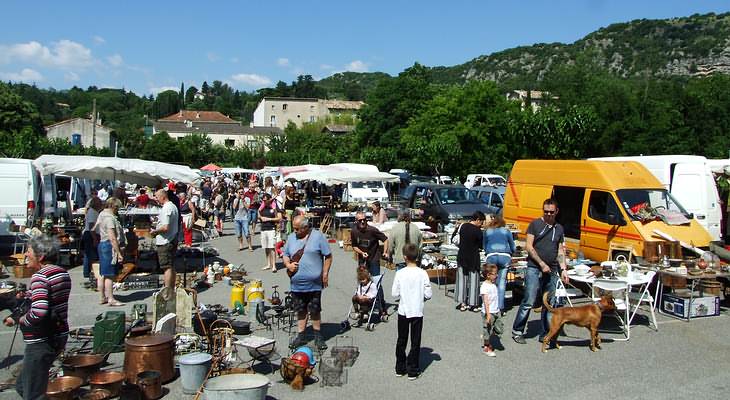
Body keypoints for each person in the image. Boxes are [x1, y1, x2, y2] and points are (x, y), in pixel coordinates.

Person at [4, 235, 71, 400]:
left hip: (41, 340)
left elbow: (39, 312)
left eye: (28, 251)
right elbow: (53, 296)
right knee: (22, 385)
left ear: (40, 257)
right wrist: (29, 294)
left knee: (32, 394)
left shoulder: (40, 277)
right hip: (58, 335)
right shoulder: (61, 272)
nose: (26, 255)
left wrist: (22, 320)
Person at [511, 198, 569, 346]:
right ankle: (517, 330)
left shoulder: (559, 228)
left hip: (552, 268)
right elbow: (529, 247)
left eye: (551, 212)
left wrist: (563, 269)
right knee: (529, 300)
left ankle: (545, 334)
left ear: (556, 211)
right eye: (546, 211)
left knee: (548, 302)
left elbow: (560, 250)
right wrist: (541, 263)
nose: (548, 214)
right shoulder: (535, 224)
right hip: (534, 267)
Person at [283, 215, 333, 351]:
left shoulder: (318, 237)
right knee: (300, 310)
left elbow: (328, 256)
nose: (294, 231)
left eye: (297, 229)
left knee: (315, 310)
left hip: (314, 284)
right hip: (296, 284)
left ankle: (317, 335)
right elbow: (285, 253)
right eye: (294, 228)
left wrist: (325, 273)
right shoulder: (291, 237)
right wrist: (288, 265)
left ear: (305, 228)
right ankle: (301, 335)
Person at [391, 243, 432, 380]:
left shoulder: (400, 273)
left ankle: (400, 367)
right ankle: (413, 369)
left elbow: (394, 294)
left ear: (404, 257)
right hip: (417, 310)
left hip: (403, 310)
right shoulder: (422, 273)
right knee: (415, 341)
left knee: (401, 339)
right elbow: (428, 294)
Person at [351, 211, 389, 314]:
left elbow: (385, 239)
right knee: (363, 282)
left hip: (374, 259)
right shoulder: (354, 231)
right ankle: (364, 306)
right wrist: (361, 252)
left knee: (376, 282)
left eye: (364, 220)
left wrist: (385, 252)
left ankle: (382, 306)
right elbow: (354, 245)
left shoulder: (372, 230)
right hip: (363, 260)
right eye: (360, 220)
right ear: (356, 221)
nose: (363, 222)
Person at [94, 198, 126, 306]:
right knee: (109, 275)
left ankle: (102, 296)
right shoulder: (109, 218)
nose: (117, 210)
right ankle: (111, 298)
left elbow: (94, 229)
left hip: (102, 244)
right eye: (117, 207)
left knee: (103, 273)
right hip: (109, 246)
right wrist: (118, 252)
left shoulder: (101, 214)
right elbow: (112, 237)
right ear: (113, 206)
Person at [483, 215, 516, 312]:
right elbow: (512, 246)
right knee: (501, 283)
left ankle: (490, 306)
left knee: (490, 282)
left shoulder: (487, 231)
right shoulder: (506, 231)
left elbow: (484, 246)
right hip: (505, 257)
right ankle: (500, 307)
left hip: (491, 256)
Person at [455, 211, 486, 312]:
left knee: (461, 280)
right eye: (481, 222)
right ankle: (473, 304)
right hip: (473, 257)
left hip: (462, 256)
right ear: (477, 220)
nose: (481, 225)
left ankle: (462, 303)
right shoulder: (478, 231)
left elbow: (455, 238)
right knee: (474, 280)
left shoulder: (463, 226)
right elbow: (481, 245)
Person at [152, 189, 179, 290]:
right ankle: (170, 288)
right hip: (170, 239)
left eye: (157, 197)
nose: (156, 199)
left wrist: (155, 231)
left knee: (166, 267)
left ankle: (167, 289)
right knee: (170, 265)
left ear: (163, 197)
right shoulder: (172, 206)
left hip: (166, 241)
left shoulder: (167, 208)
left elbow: (165, 227)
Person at [480, 264, 502, 357]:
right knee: (488, 330)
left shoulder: (493, 285)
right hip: (488, 312)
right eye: (495, 274)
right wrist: (488, 314)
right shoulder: (484, 287)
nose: (496, 275)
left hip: (496, 310)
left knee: (500, 329)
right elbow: (486, 302)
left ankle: (487, 334)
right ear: (488, 275)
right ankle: (487, 346)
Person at [258, 193, 282, 272]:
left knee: (272, 247)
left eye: (265, 200)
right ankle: (268, 264)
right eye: (263, 200)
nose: (264, 201)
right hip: (264, 228)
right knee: (266, 247)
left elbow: (279, 218)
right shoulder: (262, 206)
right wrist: (261, 217)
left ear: (269, 199)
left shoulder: (274, 207)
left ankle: (274, 265)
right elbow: (259, 214)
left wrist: (269, 219)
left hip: (271, 228)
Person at [81, 196, 103, 279]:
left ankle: (88, 271)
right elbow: (91, 226)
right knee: (90, 254)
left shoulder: (94, 212)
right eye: (100, 203)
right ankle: (87, 272)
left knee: (89, 254)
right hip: (90, 234)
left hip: (91, 234)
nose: (101, 204)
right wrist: (94, 238)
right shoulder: (92, 212)